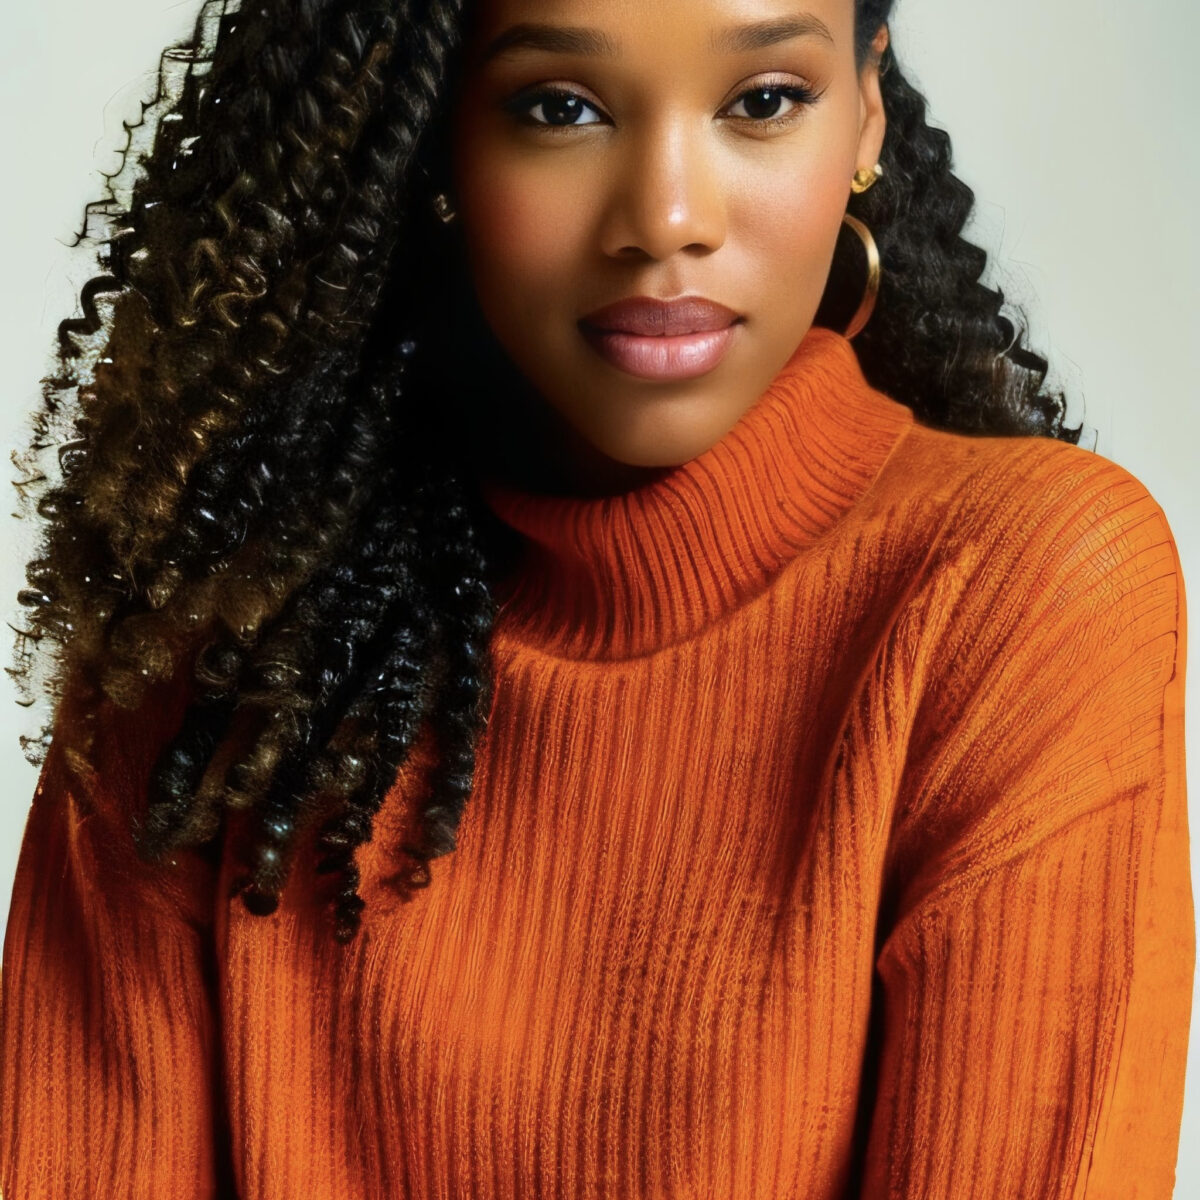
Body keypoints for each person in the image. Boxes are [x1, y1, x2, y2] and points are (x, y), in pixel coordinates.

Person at [0, 0, 1191, 1196]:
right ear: (437, 141)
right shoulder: (219, 645)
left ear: (868, 111)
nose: (667, 219)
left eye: (764, 101)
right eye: (559, 108)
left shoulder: (1014, 594)